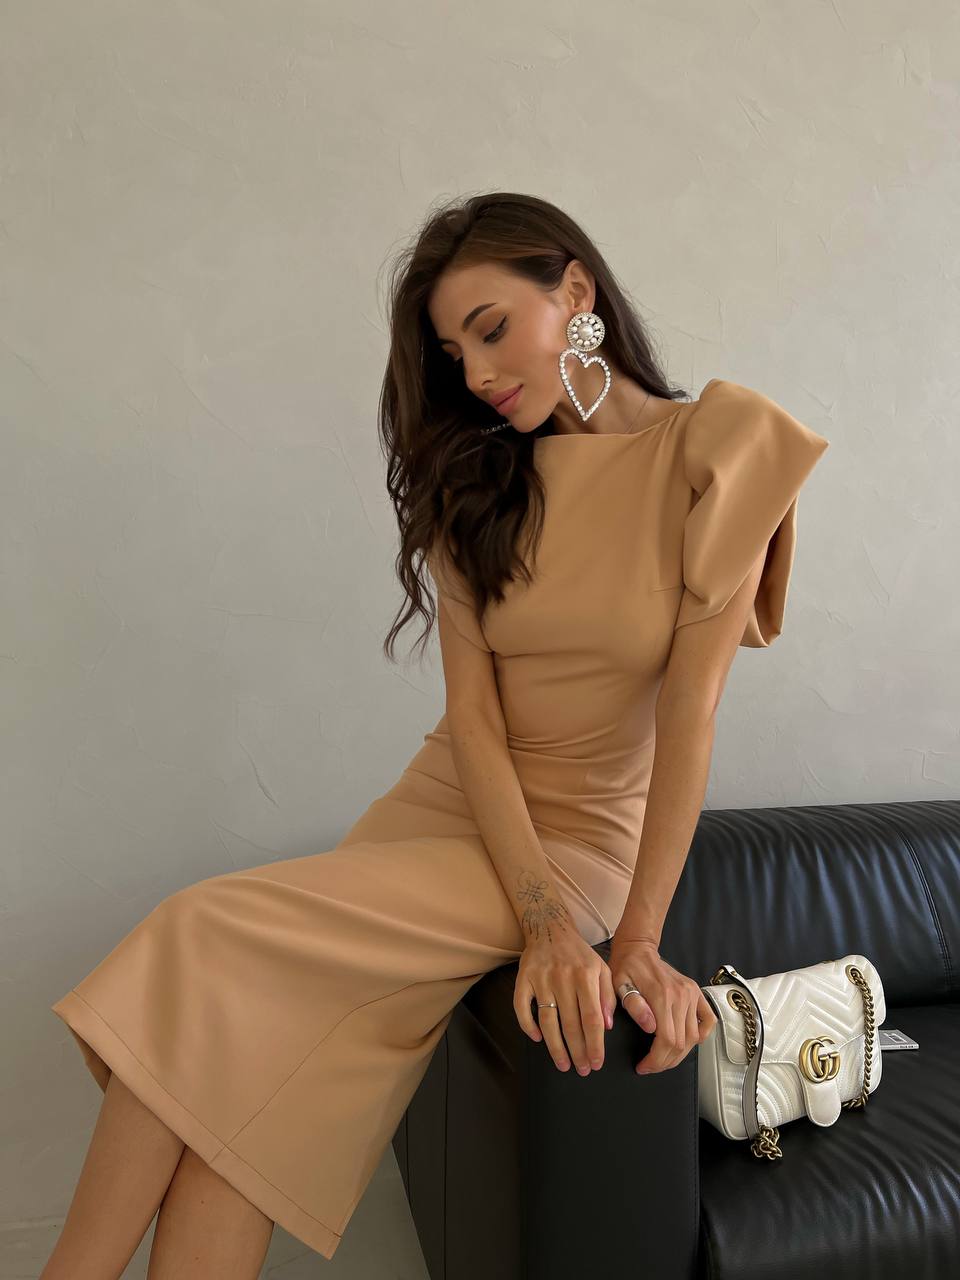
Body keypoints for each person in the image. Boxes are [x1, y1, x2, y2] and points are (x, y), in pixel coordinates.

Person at [43, 191, 830, 1277]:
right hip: (444, 803)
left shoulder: (718, 451)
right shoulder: (480, 479)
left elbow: (689, 717)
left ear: (577, 294)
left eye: (492, 328)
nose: (476, 371)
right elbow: (472, 719)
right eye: (454, 352)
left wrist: (629, 938)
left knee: (198, 931)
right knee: (243, 1125)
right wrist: (534, 919)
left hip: (579, 840)